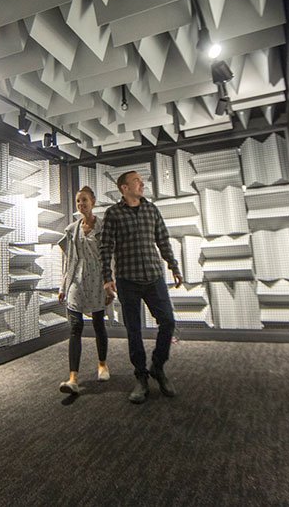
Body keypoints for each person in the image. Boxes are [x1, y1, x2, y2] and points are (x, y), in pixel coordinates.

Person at [100, 170, 182, 404]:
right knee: (133, 330)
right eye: (136, 181)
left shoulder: (151, 209)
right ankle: (141, 377)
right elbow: (105, 247)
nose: (141, 183)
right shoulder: (113, 213)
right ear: (124, 188)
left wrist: (174, 266)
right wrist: (107, 277)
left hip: (154, 277)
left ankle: (157, 366)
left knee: (168, 322)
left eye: (141, 180)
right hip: (127, 280)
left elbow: (163, 240)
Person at [57, 186, 111, 395]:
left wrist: (110, 283)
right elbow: (68, 260)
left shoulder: (104, 227)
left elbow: (111, 258)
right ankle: (73, 378)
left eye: (85, 200)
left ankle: (102, 365)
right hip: (77, 280)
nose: (81, 204)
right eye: (78, 201)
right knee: (75, 327)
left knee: (98, 324)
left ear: (93, 202)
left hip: (98, 279)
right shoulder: (72, 229)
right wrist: (63, 286)